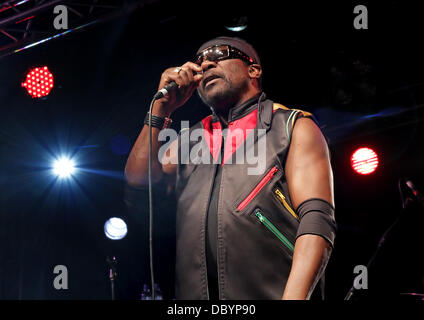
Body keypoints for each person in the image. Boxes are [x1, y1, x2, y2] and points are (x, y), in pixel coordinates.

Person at [125, 36, 336, 300]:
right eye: (200, 60)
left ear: (254, 70)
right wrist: (160, 110)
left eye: (219, 54)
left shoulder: (292, 126)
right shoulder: (189, 141)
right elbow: (138, 183)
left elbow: (317, 220)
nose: (206, 64)